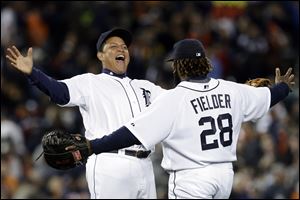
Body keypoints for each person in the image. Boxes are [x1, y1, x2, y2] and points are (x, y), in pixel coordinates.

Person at [83, 39, 295, 199]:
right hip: (224, 178)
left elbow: (131, 134)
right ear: (205, 63)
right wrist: (283, 86)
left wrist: (93, 146)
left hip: (192, 180)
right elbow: (270, 96)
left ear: (179, 66)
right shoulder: (232, 90)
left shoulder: (174, 99)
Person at [6, 28, 166, 199]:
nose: (121, 49)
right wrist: (33, 73)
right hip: (110, 164)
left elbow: (177, 100)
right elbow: (59, 91)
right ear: (100, 56)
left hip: (146, 165)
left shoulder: (146, 86)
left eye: (124, 47)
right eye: (113, 46)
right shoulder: (90, 82)